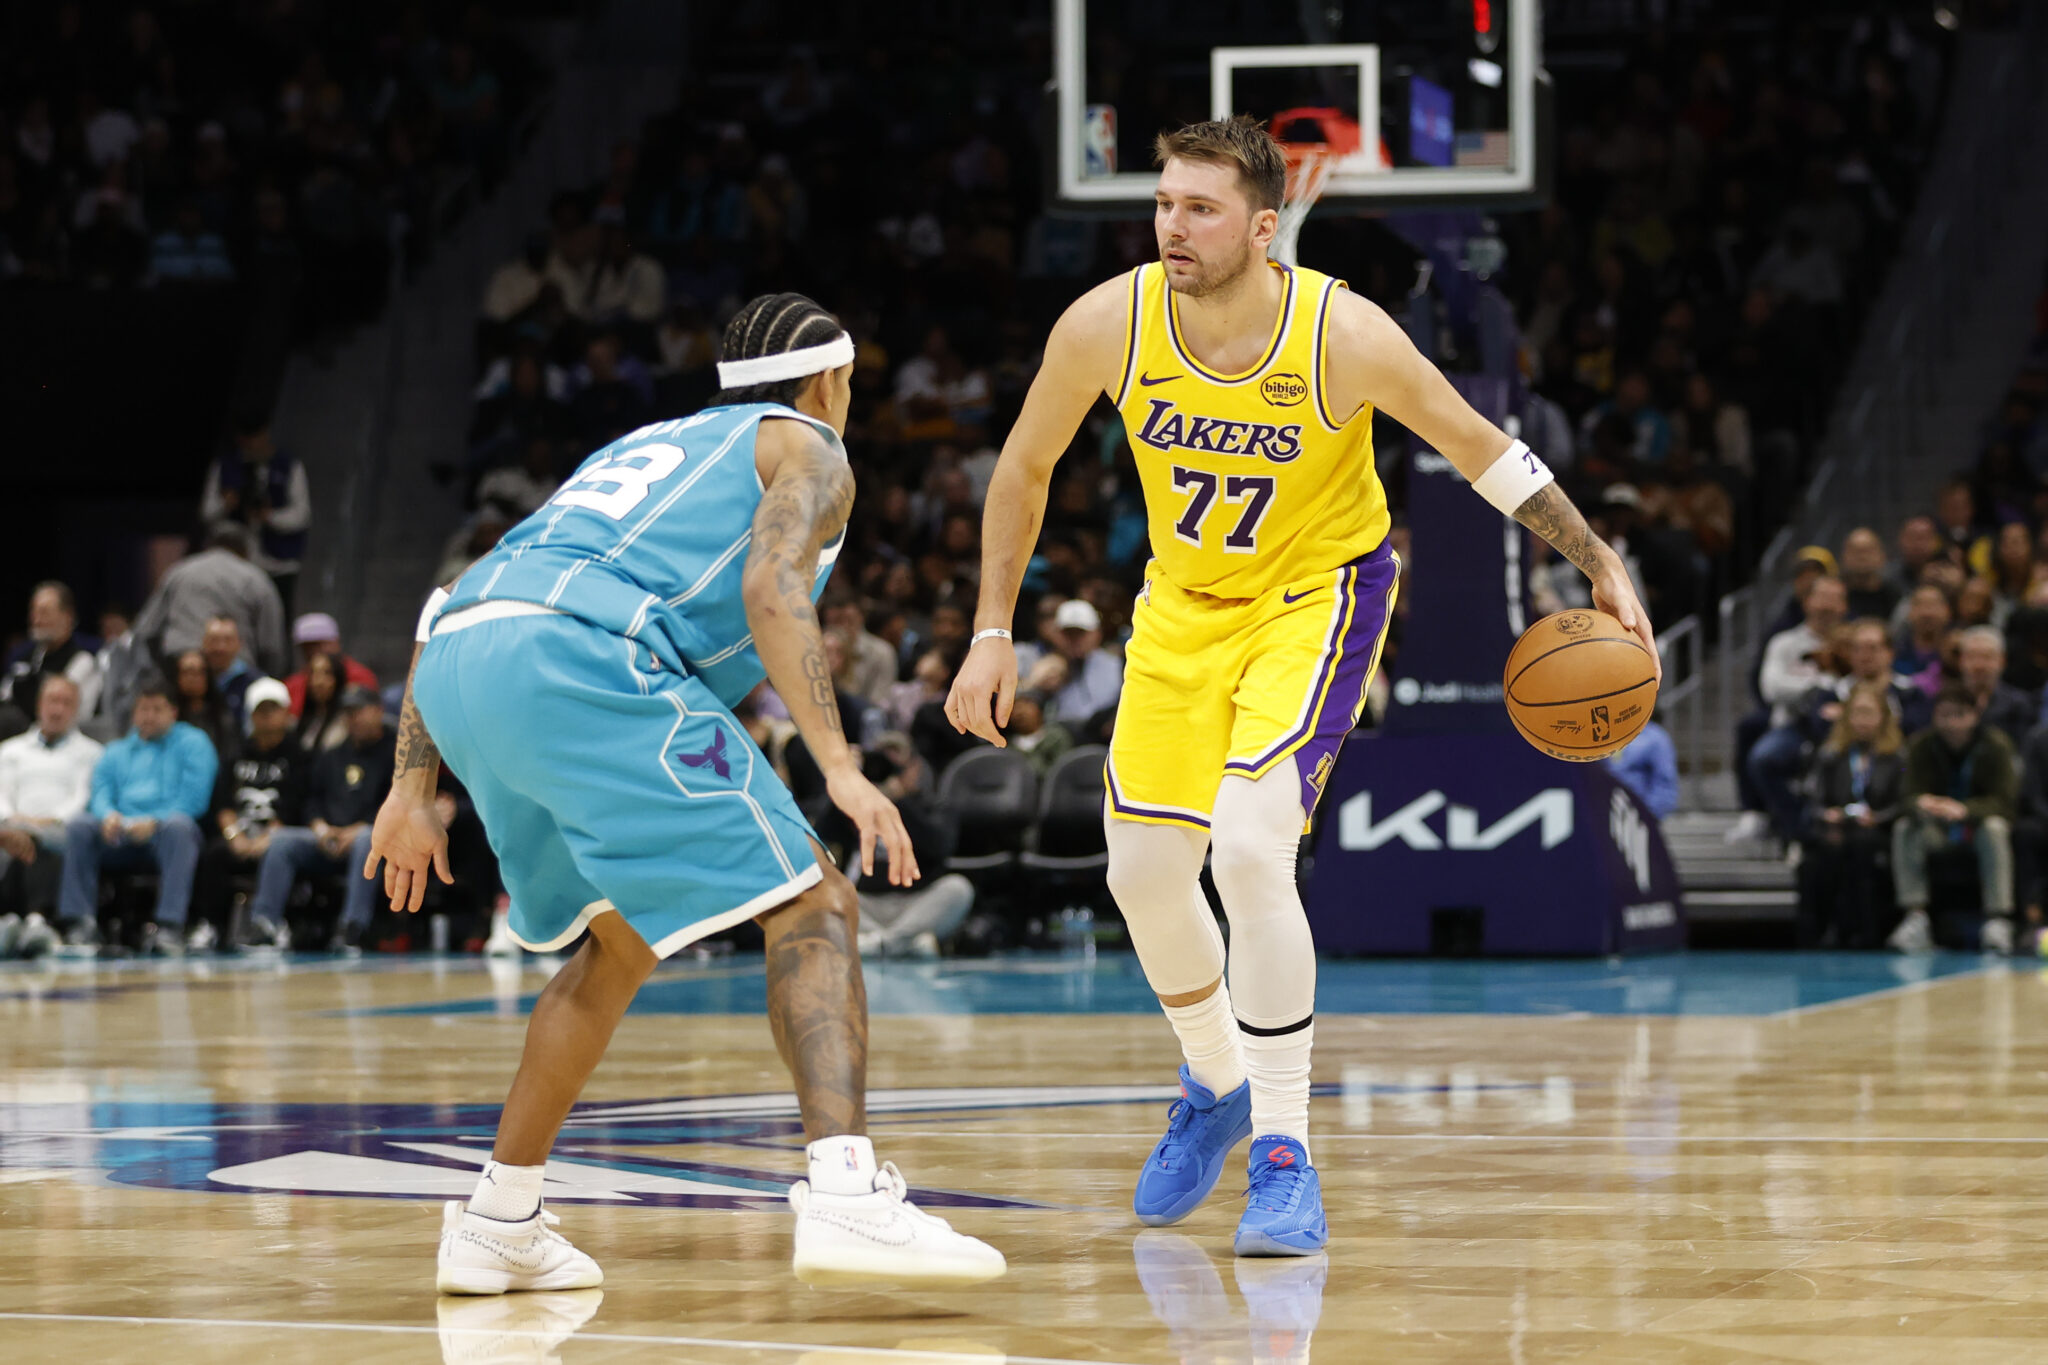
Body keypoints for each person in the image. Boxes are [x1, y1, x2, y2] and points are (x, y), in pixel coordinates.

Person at [945, 118, 1656, 1258]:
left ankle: (1282, 1150)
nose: (1172, 228)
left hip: (1314, 603)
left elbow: (1481, 449)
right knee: (1138, 872)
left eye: (1200, 210)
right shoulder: (1106, 322)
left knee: (1246, 848)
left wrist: (1597, 561)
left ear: (1263, 226)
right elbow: (1021, 469)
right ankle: (1215, 1083)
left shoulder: (1342, 334)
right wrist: (991, 628)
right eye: (1165, 204)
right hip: (1181, 607)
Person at [365, 292, 1005, 1294]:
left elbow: (453, 594)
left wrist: (411, 784)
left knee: (614, 942)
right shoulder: (809, 448)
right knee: (813, 900)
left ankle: (498, 1217)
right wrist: (841, 769)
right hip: (581, 659)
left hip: (460, 664)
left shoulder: (639, 448)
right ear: (831, 380)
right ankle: (844, 1194)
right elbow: (770, 589)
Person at [57, 675, 218, 955]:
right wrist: (108, 815)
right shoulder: (116, 751)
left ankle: (170, 926)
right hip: (120, 833)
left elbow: (194, 799)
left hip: (165, 833)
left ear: (173, 712)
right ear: (133, 714)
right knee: (80, 826)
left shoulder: (194, 743)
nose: (149, 716)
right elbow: (101, 791)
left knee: (179, 826)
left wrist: (155, 821)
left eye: (157, 709)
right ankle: (80, 924)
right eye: (143, 709)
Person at [249, 686, 392, 953]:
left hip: (372, 836)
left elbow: (394, 802)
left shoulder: (396, 753)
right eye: (348, 713)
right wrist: (320, 827)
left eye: (359, 711)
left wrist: (358, 829)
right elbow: (312, 799)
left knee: (367, 841)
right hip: (327, 838)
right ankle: (265, 924)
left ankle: (352, 927)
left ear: (378, 711)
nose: (353, 719)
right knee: (282, 841)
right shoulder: (332, 755)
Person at [1889, 687, 2017, 955]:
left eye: (1959, 715)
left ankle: (1997, 919)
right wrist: (1923, 803)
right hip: (1936, 828)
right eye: (1944, 715)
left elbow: (2005, 802)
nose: (1951, 723)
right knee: (1905, 828)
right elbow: (1905, 797)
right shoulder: (1920, 745)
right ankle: (1916, 917)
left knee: (1995, 828)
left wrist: (1964, 809)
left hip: (1976, 827)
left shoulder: (1996, 745)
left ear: (1975, 715)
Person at [192, 677, 303, 951]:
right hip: (240, 832)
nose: (266, 717)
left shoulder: (299, 755)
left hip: (278, 833)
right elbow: (222, 803)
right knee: (214, 852)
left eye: (273, 709)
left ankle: (271, 925)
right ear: (250, 715)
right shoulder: (235, 753)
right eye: (260, 711)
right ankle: (211, 926)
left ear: (286, 713)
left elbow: (296, 805)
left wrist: (267, 838)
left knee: (280, 850)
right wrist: (235, 836)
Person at [1742, 576, 1849, 845]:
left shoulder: (1853, 640)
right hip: (1795, 725)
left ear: (1845, 605)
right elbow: (1771, 688)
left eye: (1834, 598)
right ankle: (1797, 830)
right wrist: (1818, 686)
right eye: (1821, 597)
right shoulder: (1785, 643)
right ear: (1806, 602)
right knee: (1763, 759)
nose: (1827, 605)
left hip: (1848, 726)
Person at [1798, 681, 1905, 949]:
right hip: (1839, 828)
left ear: (1883, 717)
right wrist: (1827, 814)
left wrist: (1878, 818)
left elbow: (1903, 802)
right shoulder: (1831, 755)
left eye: (1869, 713)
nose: (1863, 720)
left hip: (1877, 830)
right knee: (1819, 854)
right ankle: (1820, 932)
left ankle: (1865, 932)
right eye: (1857, 713)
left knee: (1863, 847)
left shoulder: (1897, 757)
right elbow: (1814, 800)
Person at [0, 676, 102, 954]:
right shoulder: (10, 750)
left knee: (38, 840)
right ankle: (25, 920)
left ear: (77, 709)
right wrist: (14, 820)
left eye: (66, 702)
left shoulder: (92, 753)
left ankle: (30, 919)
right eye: (52, 701)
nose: (57, 709)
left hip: (61, 829)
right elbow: (2, 794)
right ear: (38, 705)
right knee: (15, 839)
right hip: (11, 824)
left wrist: (43, 823)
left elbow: (82, 798)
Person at [135, 522, 289, 677]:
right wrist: (265, 680)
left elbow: (147, 631)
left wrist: (164, 669)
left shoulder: (178, 572)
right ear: (245, 550)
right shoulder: (256, 578)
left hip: (182, 667)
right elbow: (271, 647)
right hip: (235, 672)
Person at [200, 415, 313, 614]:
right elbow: (207, 514)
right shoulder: (226, 466)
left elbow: (301, 515)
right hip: (235, 561)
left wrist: (269, 516)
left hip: (278, 563)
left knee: (277, 618)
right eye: (246, 437)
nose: (251, 443)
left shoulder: (288, 466)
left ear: (265, 433)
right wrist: (226, 504)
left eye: (256, 436)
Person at [0, 582, 103, 739]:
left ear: (67, 616)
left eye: (44, 612)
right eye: (34, 611)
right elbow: (5, 697)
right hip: (14, 743)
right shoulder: (22, 656)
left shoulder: (83, 662)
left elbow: (74, 716)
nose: (37, 619)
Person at [1954, 625, 2036, 748]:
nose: (1979, 665)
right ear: (1961, 661)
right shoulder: (1944, 702)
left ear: (2002, 661)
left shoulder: (2020, 704)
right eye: (1972, 656)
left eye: (1987, 657)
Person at [283, 612, 378, 713]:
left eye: (319, 644)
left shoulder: (360, 677)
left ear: (335, 642)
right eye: (307, 646)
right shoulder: (292, 685)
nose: (313, 651)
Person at [1604, 717, 1679, 819]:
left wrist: (1647, 817)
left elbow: (1665, 784)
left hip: (1637, 818)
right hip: (1602, 814)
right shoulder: (1600, 734)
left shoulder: (1655, 738)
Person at [173, 649, 236, 762]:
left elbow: (229, 755)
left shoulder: (222, 716)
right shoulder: (168, 716)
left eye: (198, 673)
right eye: (187, 672)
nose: (192, 678)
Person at [201, 615, 258, 728]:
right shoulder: (192, 677)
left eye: (227, 640)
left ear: (239, 644)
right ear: (204, 642)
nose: (220, 647)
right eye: (214, 640)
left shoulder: (255, 682)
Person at [1838, 527, 1900, 624]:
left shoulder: (1895, 597)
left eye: (1868, 551)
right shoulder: (1834, 596)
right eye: (1856, 551)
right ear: (1844, 556)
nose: (1862, 557)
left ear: (1882, 556)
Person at [293, 651, 350, 754]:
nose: (318, 681)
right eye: (313, 673)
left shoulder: (347, 720)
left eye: (326, 673)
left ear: (338, 678)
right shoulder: (305, 718)